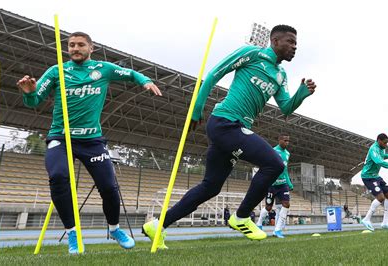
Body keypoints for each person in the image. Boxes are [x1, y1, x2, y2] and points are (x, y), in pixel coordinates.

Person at [142, 25, 316, 249]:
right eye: (290, 42)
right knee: (274, 163)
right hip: (225, 123)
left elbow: (286, 107)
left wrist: (301, 94)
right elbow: (216, 72)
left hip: (234, 129)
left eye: (295, 43)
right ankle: (241, 217)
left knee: (211, 187)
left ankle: (158, 225)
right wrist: (197, 108)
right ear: (274, 41)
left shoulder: (281, 76)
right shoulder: (252, 53)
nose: (294, 47)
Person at [17, 32, 162, 254]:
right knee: (58, 177)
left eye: (80, 45)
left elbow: (131, 74)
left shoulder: (103, 69)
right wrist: (28, 93)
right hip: (61, 137)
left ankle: (114, 229)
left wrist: (146, 81)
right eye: (71, 45)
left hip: (91, 140)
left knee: (109, 188)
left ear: (91, 48)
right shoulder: (57, 71)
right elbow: (34, 100)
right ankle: (73, 233)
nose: (75, 48)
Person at [360, 133, 388, 232]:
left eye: (387, 143)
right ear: (379, 140)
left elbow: (383, 155)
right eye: (385, 143)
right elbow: (379, 161)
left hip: (376, 176)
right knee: (380, 198)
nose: (386, 145)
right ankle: (366, 219)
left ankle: (385, 223)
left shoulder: (381, 148)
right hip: (368, 177)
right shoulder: (373, 149)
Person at [256, 134, 293, 238]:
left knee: (286, 204)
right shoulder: (272, 151)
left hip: (283, 184)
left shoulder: (287, 154)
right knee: (268, 207)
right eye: (285, 140)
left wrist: (289, 182)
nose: (287, 143)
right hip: (271, 184)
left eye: (288, 141)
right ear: (279, 140)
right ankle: (259, 224)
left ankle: (277, 230)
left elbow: (285, 169)